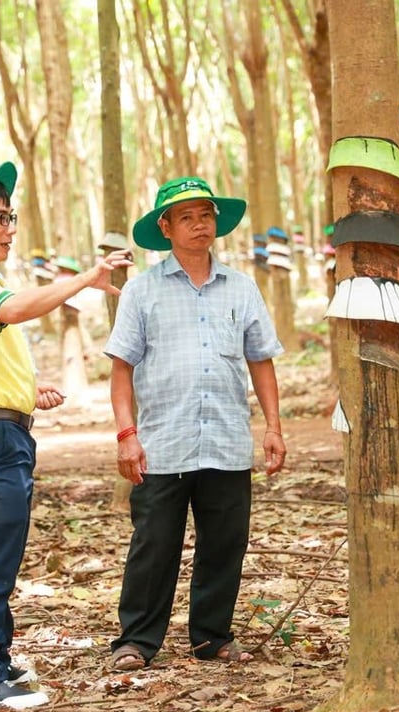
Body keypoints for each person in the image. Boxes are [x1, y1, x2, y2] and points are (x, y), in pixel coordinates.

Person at [0, 163, 125, 709]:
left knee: (0, 556)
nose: (9, 228)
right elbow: (15, 311)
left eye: (10, 216)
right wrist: (85, 279)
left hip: (0, 432)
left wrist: (25, 389)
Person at [106, 176, 286, 672]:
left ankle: (211, 636)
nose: (199, 225)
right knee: (154, 544)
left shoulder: (241, 288)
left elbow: (261, 361)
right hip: (163, 442)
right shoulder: (141, 292)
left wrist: (273, 426)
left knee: (225, 543)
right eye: (186, 217)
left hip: (226, 439)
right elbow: (121, 369)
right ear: (165, 227)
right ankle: (137, 640)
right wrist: (127, 434)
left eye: (205, 215)